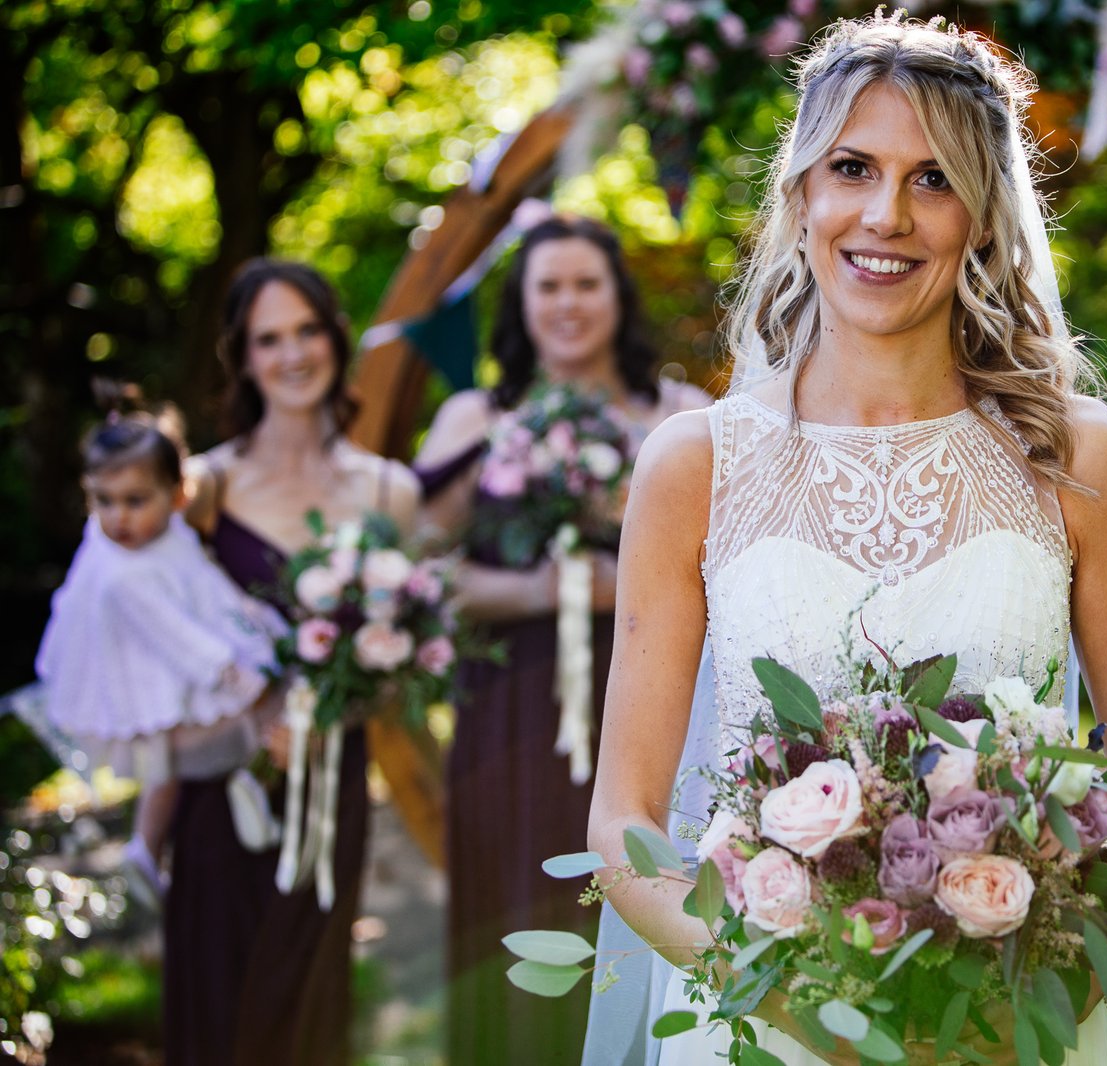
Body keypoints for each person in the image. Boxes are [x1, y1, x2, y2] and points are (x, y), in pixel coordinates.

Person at [585, 14, 1107, 1065]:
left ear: (984, 217)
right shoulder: (695, 465)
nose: (885, 214)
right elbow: (625, 828)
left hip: (1021, 1031)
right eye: (854, 168)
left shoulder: (1076, 455)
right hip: (765, 1030)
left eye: (933, 180)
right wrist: (785, 1000)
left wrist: (1032, 998)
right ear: (801, 194)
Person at [412, 213, 709, 1065]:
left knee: (643, 889)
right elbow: (421, 579)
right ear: (523, 303)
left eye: (587, 283)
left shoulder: (677, 416)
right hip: (511, 712)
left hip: (653, 705)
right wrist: (540, 589)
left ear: (617, 297)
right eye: (549, 286)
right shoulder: (478, 418)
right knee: (511, 915)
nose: (569, 303)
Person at [168, 258, 420, 1065]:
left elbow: (402, 663)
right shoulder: (202, 487)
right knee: (216, 998)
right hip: (222, 788)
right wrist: (250, 721)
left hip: (331, 786)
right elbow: (160, 645)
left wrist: (335, 708)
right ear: (241, 357)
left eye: (307, 330)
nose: (292, 354)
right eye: (267, 338)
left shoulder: (388, 493)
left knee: (308, 1005)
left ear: (336, 341)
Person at [35, 404, 281, 907]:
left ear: (177, 496)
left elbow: (197, 580)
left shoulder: (163, 536)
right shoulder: (128, 572)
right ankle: (155, 842)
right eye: (102, 501)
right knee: (226, 728)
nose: (117, 517)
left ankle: (180, 828)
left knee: (176, 761)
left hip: (172, 663)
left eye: (133, 501)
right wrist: (228, 670)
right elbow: (177, 637)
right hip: (166, 673)